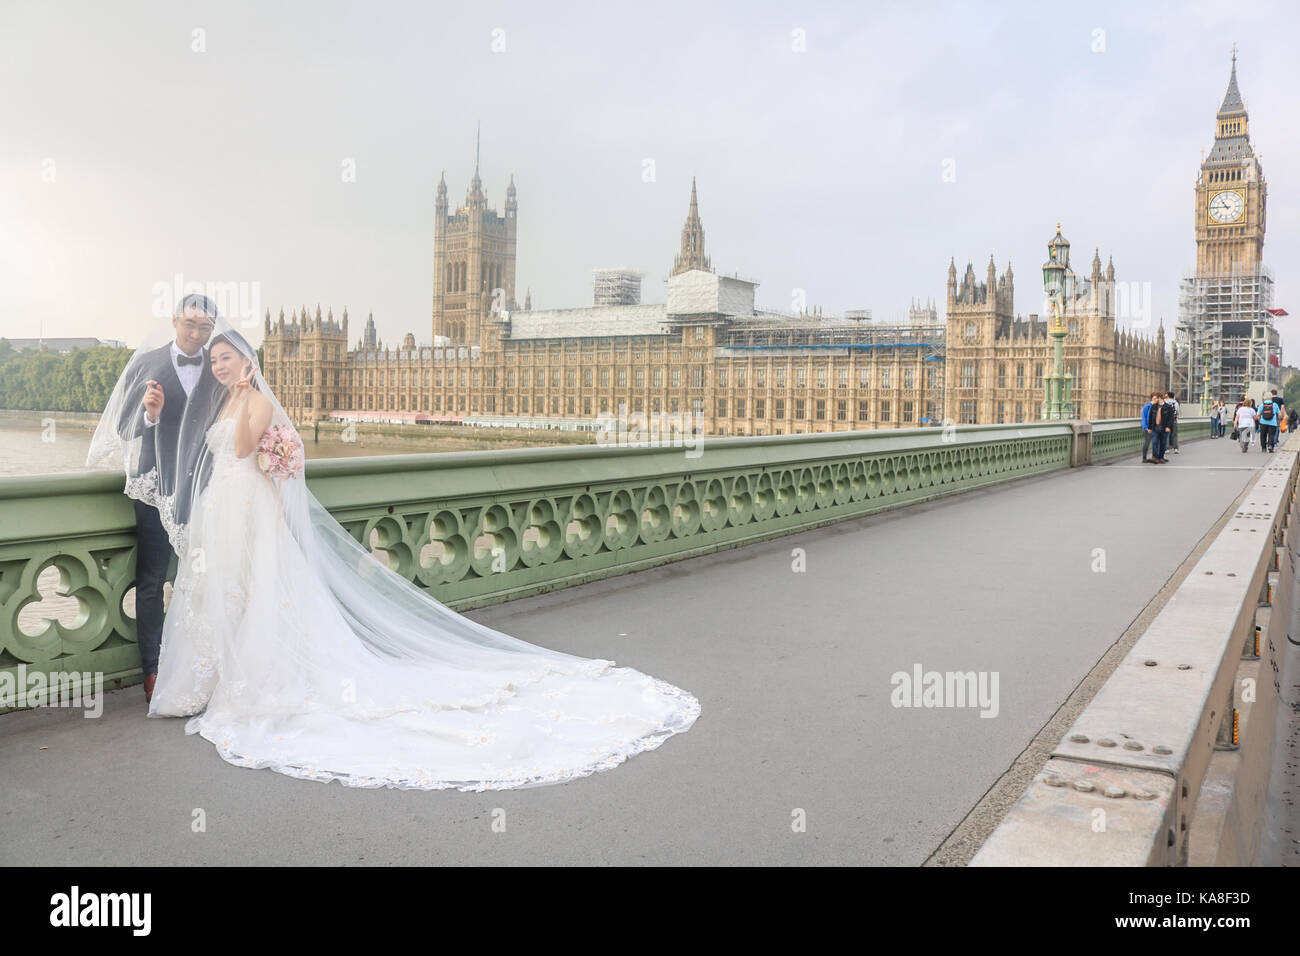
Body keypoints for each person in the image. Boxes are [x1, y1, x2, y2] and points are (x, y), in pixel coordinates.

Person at [87, 316, 700, 791]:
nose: (220, 365)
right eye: (215, 358)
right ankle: (212, 681)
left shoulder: (252, 400)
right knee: (224, 593)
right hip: (226, 506)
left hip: (242, 502)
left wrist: (245, 412)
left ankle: (254, 684)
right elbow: (192, 446)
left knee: (256, 592)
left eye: (228, 358)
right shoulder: (221, 396)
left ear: (248, 361)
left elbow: (245, 450)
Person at [99, 294, 223, 703]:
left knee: (204, 577)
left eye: (205, 328)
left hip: (204, 486)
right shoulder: (146, 362)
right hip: (153, 486)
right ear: (174, 321)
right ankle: (152, 670)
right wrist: (149, 414)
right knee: (151, 580)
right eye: (190, 324)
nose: (196, 334)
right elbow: (121, 425)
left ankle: (202, 666)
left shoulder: (220, 365)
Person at [1149, 393, 1172, 463]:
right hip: (1155, 428)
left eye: (1155, 398)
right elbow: (1150, 417)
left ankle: (1161, 457)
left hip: (1164, 428)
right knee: (1155, 442)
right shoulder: (1153, 407)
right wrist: (1149, 427)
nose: (1153, 400)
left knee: (1163, 443)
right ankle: (1155, 457)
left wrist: (1168, 427)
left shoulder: (1168, 407)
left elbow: (1170, 418)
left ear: (1159, 398)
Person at [1141, 392, 1158, 462]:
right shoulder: (1147, 406)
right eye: (1154, 398)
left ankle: (1154, 457)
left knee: (1155, 443)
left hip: (1155, 428)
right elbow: (1144, 417)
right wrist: (1146, 427)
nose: (1155, 399)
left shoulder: (1157, 406)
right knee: (1147, 443)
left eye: (1156, 398)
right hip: (1148, 428)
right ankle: (1144, 458)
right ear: (1151, 398)